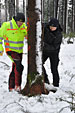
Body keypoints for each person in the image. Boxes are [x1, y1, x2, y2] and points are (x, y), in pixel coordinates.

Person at [0, 13, 27, 92]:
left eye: (22, 23)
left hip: (19, 51)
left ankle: (11, 87)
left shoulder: (23, 27)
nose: (20, 24)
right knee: (19, 67)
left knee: (15, 68)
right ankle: (18, 86)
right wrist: (0, 48)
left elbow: (27, 35)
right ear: (15, 20)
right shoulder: (7, 25)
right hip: (10, 50)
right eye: (19, 22)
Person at [43, 18, 62, 91]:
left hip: (54, 52)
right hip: (45, 51)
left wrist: (44, 45)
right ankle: (46, 80)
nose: (51, 28)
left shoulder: (58, 34)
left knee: (54, 68)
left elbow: (55, 46)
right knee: (39, 63)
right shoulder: (45, 28)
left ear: (57, 27)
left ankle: (56, 84)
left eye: (53, 27)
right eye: (51, 26)